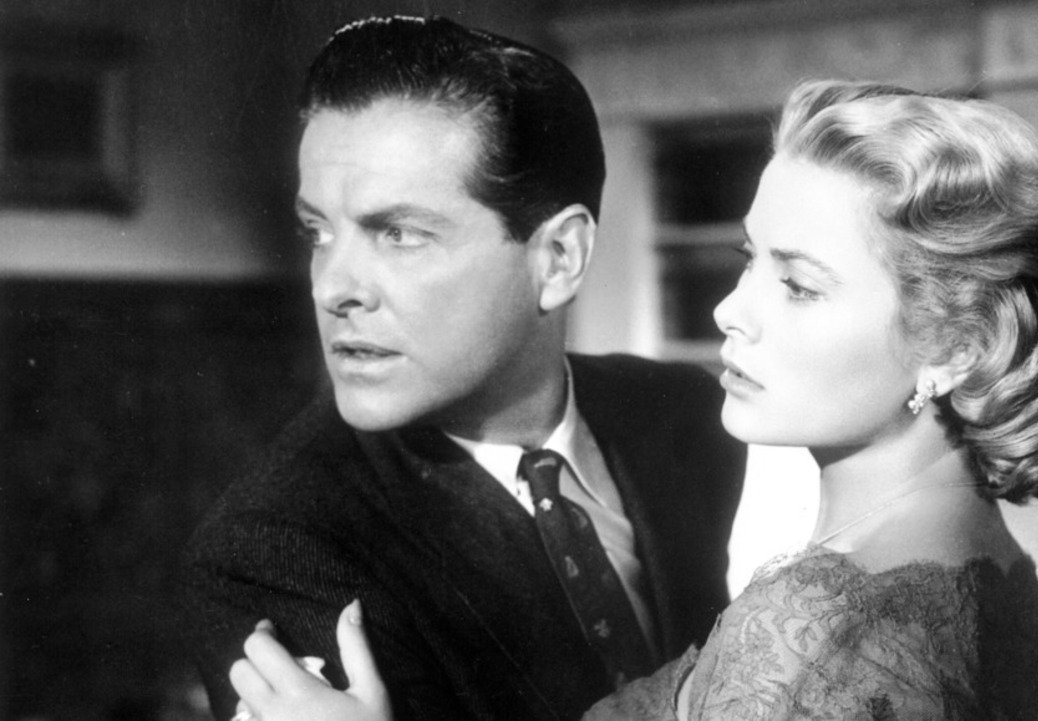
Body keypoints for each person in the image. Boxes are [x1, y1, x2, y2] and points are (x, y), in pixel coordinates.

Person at [228, 79, 1038, 720]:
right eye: (749, 259)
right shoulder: (990, 560)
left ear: (957, 345)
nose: (732, 311)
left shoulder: (820, 626)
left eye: (799, 285)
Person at [177, 15, 747, 721]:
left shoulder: (683, 412)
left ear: (559, 258)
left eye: (399, 234)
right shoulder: (276, 549)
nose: (332, 288)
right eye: (318, 232)